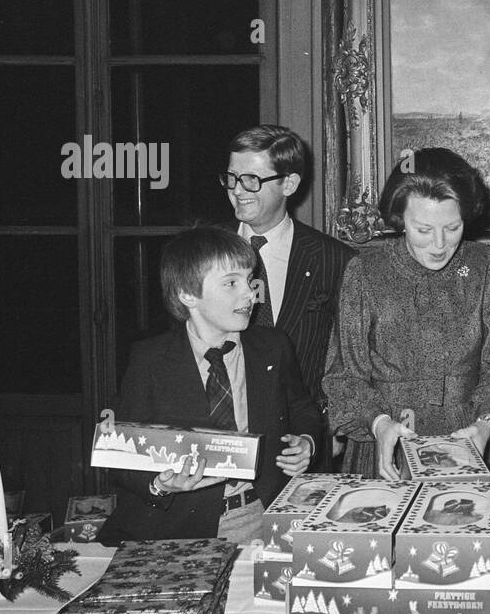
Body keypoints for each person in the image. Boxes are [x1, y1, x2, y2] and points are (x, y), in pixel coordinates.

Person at [98, 226, 324, 545]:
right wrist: (160, 484)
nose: (249, 293)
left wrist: (306, 442)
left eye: (249, 280)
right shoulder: (149, 360)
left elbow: (304, 408)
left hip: (262, 519)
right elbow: (118, 453)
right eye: (231, 283)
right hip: (177, 528)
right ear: (188, 295)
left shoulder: (272, 346)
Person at [321, 148, 490, 480]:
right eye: (424, 230)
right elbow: (345, 376)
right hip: (387, 446)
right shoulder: (365, 272)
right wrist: (379, 423)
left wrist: (486, 424)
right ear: (400, 219)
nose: (440, 244)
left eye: (453, 227)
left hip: (471, 442)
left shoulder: (484, 265)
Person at [223, 125, 354, 408]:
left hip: (303, 433)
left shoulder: (333, 259)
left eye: (251, 180)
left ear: (289, 184)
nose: (237, 190)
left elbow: (349, 355)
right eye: (232, 178)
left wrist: (331, 423)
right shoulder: (207, 251)